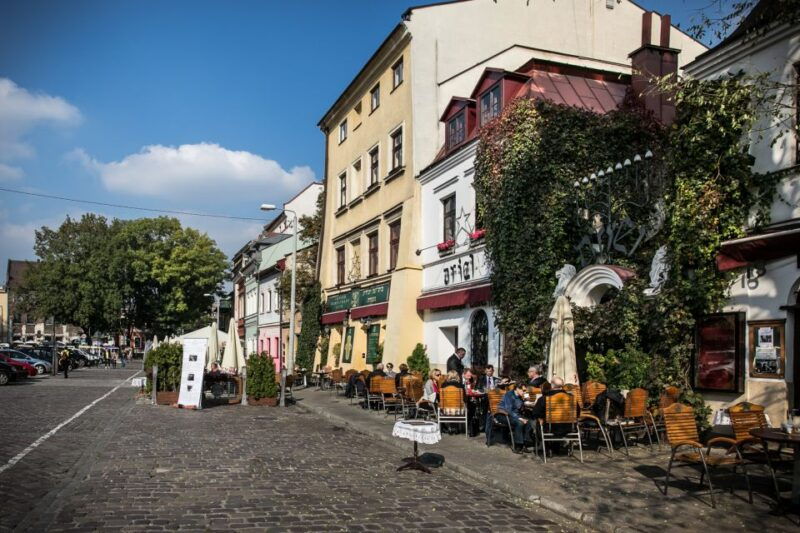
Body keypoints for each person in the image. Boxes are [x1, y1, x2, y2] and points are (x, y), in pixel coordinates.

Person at [498, 383, 534, 453]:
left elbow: (519, 408)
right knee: (519, 423)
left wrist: (525, 401)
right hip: (503, 414)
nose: (525, 392)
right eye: (523, 390)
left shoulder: (520, 396)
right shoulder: (509, 395)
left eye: (525, 390)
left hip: (515, 415)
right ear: (517, 389)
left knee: (529, 422)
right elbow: (509, 410)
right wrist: (519, 418)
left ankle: (525, 444)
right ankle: (518, 445)